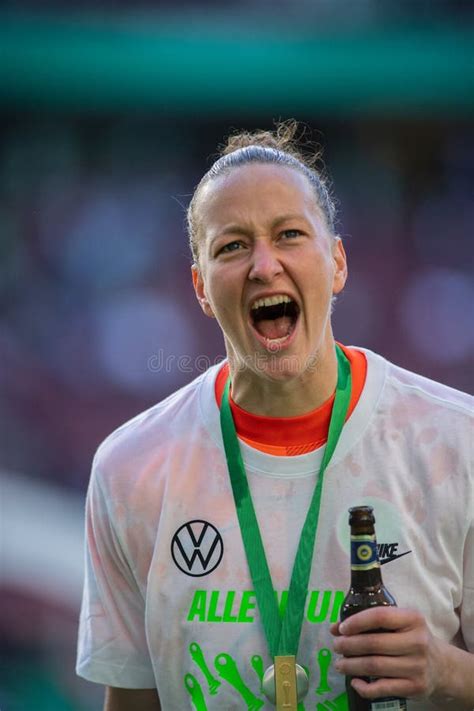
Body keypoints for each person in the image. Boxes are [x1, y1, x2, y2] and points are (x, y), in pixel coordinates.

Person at [76, 121, 474, 711]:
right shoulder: (131, 469)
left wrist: (445, 671)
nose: (265, 266)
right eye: (232, 245)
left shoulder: (456, 442)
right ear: (201, 289)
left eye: (289, 234)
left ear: (336, 262)